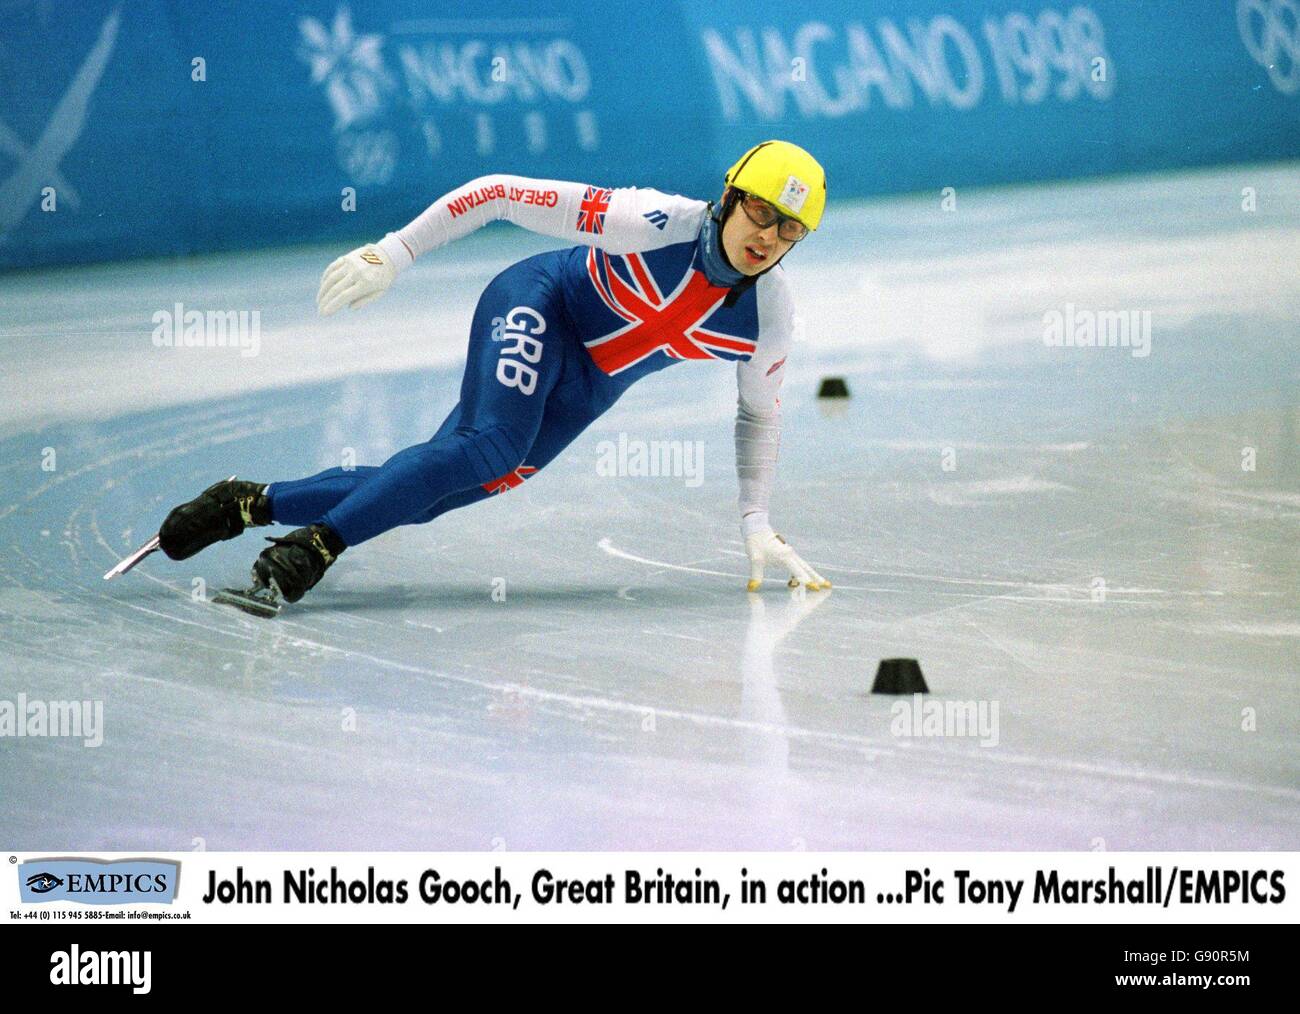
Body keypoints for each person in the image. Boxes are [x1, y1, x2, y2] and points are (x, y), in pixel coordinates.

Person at [157, 139, 831, 606]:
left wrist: (755, 520)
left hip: (588, 389)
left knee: (438, 492)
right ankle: (316, 549)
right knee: (490, 445)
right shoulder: (652, 221)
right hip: (540, 302)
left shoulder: (769, 316)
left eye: (790, 230)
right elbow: (500, 193)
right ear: (730, 196)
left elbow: (759, 414)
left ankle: (245, 502)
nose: (767, 237)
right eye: (762, 212)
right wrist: (393, 254)